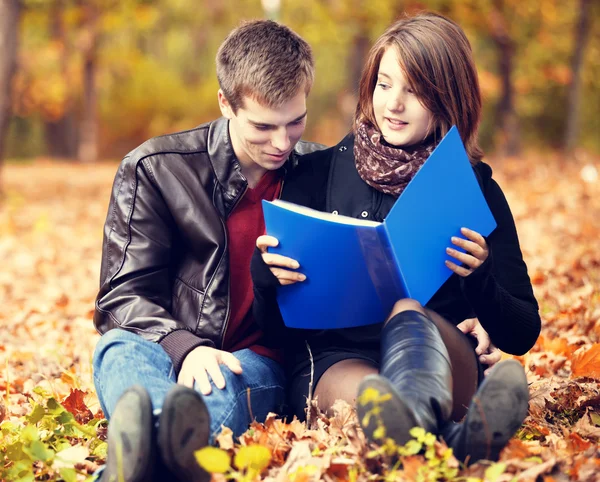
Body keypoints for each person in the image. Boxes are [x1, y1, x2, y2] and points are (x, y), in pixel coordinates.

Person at [251, 12, 541, 464]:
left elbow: (522, 332)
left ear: (448, 98)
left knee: (408, 311)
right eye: (384, 85)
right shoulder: (314, 174)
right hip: (341, 363)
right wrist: (265, 279)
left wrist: (480, 279)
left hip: (442, 358)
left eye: (415, 90)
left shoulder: (473, 189)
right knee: (376, 396)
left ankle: (421, 434)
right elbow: (272, 331)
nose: (393, 104)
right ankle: (454, 441)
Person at [92, 20, 323, 482]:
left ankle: (136, 460)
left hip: (257, 359)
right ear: (225, 103)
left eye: (295, 121)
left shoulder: (323, 174)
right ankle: (163, 445)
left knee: (217, 392)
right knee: (118, 348)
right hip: (162, 342)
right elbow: (121, 295)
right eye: (262, 126)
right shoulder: (155, 169)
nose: (282, 143)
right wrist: (184, 348)